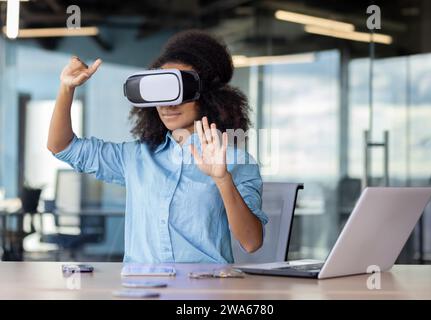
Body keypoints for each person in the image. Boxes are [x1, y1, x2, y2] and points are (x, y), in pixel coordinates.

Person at [47, 30, 268, 263]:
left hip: (204, 290)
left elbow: (252, 242)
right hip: (142, 289)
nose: (168, 103)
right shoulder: (136, 158)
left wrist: (223, 179)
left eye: (178, 91)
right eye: (160, 92)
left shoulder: (235, 161)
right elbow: (62, 146)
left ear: (207, 95)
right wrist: (66, 89)